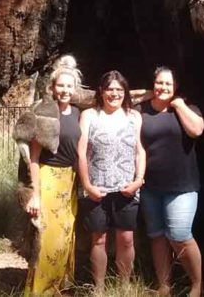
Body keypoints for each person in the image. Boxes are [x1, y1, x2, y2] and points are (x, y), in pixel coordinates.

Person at [139, 67, 204, 297]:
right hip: (150, 186)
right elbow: (123, 96)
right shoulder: (142, 111)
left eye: (168, 84)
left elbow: (196, 130)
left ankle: (197, 284)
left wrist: (178, 105)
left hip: (182, 187)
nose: (163, 87)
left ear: (175, 87)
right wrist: (147, 94)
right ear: (152, 85)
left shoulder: (188, 108)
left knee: (179, 234)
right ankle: (164, 285)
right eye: (158, 83)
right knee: (157, 236)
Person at [77, 70, 146, 289]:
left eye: (119, 89)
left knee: (126, 239)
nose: (114, 94)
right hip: (97, 188)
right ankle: (99, 288)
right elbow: (81, 153)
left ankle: (124, 286)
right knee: (98, 239)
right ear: (101, 91)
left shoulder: (134, 117)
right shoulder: (89, 115)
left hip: (126, 188)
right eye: (109, 89)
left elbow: (139, 151)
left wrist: (138, 180)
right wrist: (87, 185)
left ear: (125, 92)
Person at [24, 55, 84, 295]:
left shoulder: (79, 113)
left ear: (75, 88)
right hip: (49, 179)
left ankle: (60, 288)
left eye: (69, 86)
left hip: (69, 182)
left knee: (67, 235)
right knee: (48, 239)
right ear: (53, 87)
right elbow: (34, 158)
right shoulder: (45, 113)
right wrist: (35, 194)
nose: (65, 90)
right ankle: (41, 291)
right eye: (61, 85)